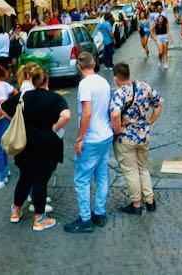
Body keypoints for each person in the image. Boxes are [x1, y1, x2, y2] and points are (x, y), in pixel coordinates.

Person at [4, 67, 71, 232]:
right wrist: (54, 127)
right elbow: (67, 115)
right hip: (47, 147)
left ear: (32, 81)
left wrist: (17, 122)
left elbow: (3, 108)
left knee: (25, 178)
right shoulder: (54, 98)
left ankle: (15, 211)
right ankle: (39, 219)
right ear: (47, 80)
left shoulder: (23, 97)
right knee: (40, 181)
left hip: (25, 147)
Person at [65, 52, 112, 233]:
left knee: (82, 180)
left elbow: (87, 112)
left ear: (79, 67)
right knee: (102, 176)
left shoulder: (84, 85)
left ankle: (85, 219)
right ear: (94, 64)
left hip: (91, 138)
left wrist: (80, 137)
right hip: (105, 135)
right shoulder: (103, 82)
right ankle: (99, 213)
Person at [110, 62, 163, 214]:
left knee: (131, 171)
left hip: (126, 137)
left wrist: (118, 130)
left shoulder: (119, 93)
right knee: (143, 168)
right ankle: (150, 201)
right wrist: (151, 121)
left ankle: (136, 205)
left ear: (116, 78)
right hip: (143, 135)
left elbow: (114, 114)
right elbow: (160, 102)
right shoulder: (144, 86)